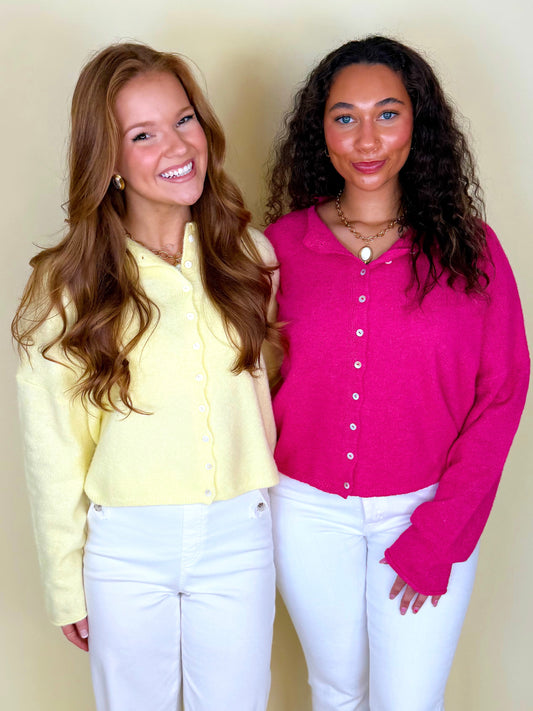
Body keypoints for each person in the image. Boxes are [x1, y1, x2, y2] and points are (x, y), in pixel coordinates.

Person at [264, 35, 529, 711]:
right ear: (320, 131)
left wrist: (440, 531)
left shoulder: (471, 250)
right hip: (305, 512)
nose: (366, 139)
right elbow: (246, 379)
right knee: (335, 691)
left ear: (418, 123)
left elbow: (501, 393)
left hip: (426, 509)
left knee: (408, 700)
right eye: (344, 117)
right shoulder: (279, 247)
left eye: (387, 113)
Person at [13, 41, 280, 711]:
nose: (177, 146)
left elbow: (272, 397)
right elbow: (52, 448)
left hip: (239, 533)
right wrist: (65, 584)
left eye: (184, 120)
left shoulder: (250, 259)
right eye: (143, 134)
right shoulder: (66, 287)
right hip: (127, 547)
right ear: (109, 162)